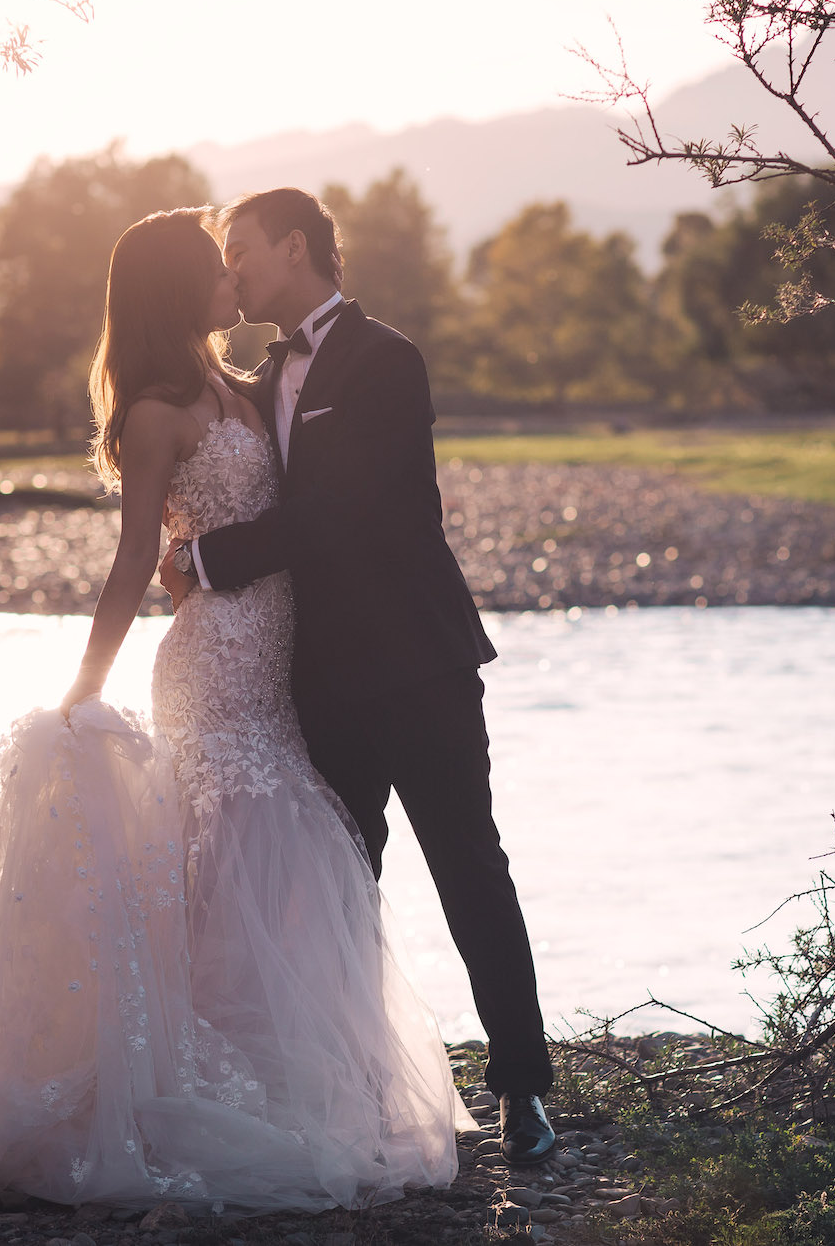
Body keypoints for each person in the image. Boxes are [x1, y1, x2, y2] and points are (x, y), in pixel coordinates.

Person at [0, 208, 465, 1210]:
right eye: (214, 267)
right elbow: (132, 560)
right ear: (175, 288)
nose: (231, 278)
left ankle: (292, 1076)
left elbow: (314, 504)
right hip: (212, 660)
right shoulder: (156, 411)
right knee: (248, 845)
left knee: (289, 862)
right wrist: (82, 684)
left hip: (280, 655)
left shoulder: (237, 384)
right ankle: (227, 1079)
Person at [159, 188, 556, 1163]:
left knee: (469, 865)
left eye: (242, 250)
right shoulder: (254, 378)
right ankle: (351, 1088)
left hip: (418, 664)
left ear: (294, 248)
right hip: (317, 676)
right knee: (334, 883)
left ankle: (521, 1092)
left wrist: (205, 563)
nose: (234, 268)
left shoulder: (387, 362)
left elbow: (341, 513)